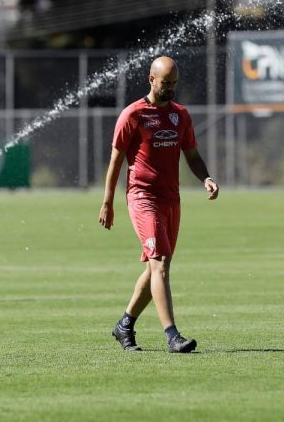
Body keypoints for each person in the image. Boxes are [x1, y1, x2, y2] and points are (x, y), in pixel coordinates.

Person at [99, 56, 219, 353]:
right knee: (161, 264)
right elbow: (115, 162)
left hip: (171, 199)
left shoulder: (181, 115)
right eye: (166, 83)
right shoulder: (133, 115)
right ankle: (172, 336)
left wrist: (206, 177)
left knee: (156, 268)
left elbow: (191, 155)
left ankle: (124, 325)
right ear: (151, 79)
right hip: (142, 198)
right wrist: (107, 203)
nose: (171, 89)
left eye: (175, 83)